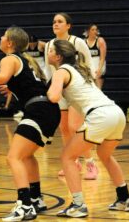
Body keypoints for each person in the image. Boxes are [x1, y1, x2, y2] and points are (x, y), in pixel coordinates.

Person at [0, 27, 60, 222]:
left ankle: (24, 205)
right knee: (26, 156)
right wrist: (12, 89)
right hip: (49, 110)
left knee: (13, 157)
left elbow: (1, 77)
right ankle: (35, 198)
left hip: (38, 111)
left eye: (4, 36)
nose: (0, 38)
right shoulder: (25, 60)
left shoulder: (9, 59)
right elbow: (28, 84)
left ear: (10, 43)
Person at [47, 40, 129, 217]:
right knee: (105, 155)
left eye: (51, 51)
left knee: (67, 157)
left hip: (100, 115)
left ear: (58, 56)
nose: (47, 53)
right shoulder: (79, 70)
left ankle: (78, 205)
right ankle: (124, 199)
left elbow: (54, 97)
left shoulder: (61, 71)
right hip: (116, 113)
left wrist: (48, 91)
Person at [43, 12, 99, 179]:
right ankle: (73, 162)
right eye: (54, 22)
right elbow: (48, 70)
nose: (56, 24)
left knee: (76, 127)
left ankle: (90, 163)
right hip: (60, 90)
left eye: (60, 21)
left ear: (68, 26)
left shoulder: (78, 42)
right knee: (64, 128)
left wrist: (89, 85)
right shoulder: (49, 45)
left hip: (76, 89)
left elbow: (88, 64)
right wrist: (50, 87)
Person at [84, 24, 107, 89]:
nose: (95, 31)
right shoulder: (84, 42)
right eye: (93, 30)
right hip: (88, 67)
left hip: (97, 66)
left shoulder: (100, 41)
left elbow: (103, 57)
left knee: (98, 89)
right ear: (88, 31)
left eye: (96, 30)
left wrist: (99, 69)